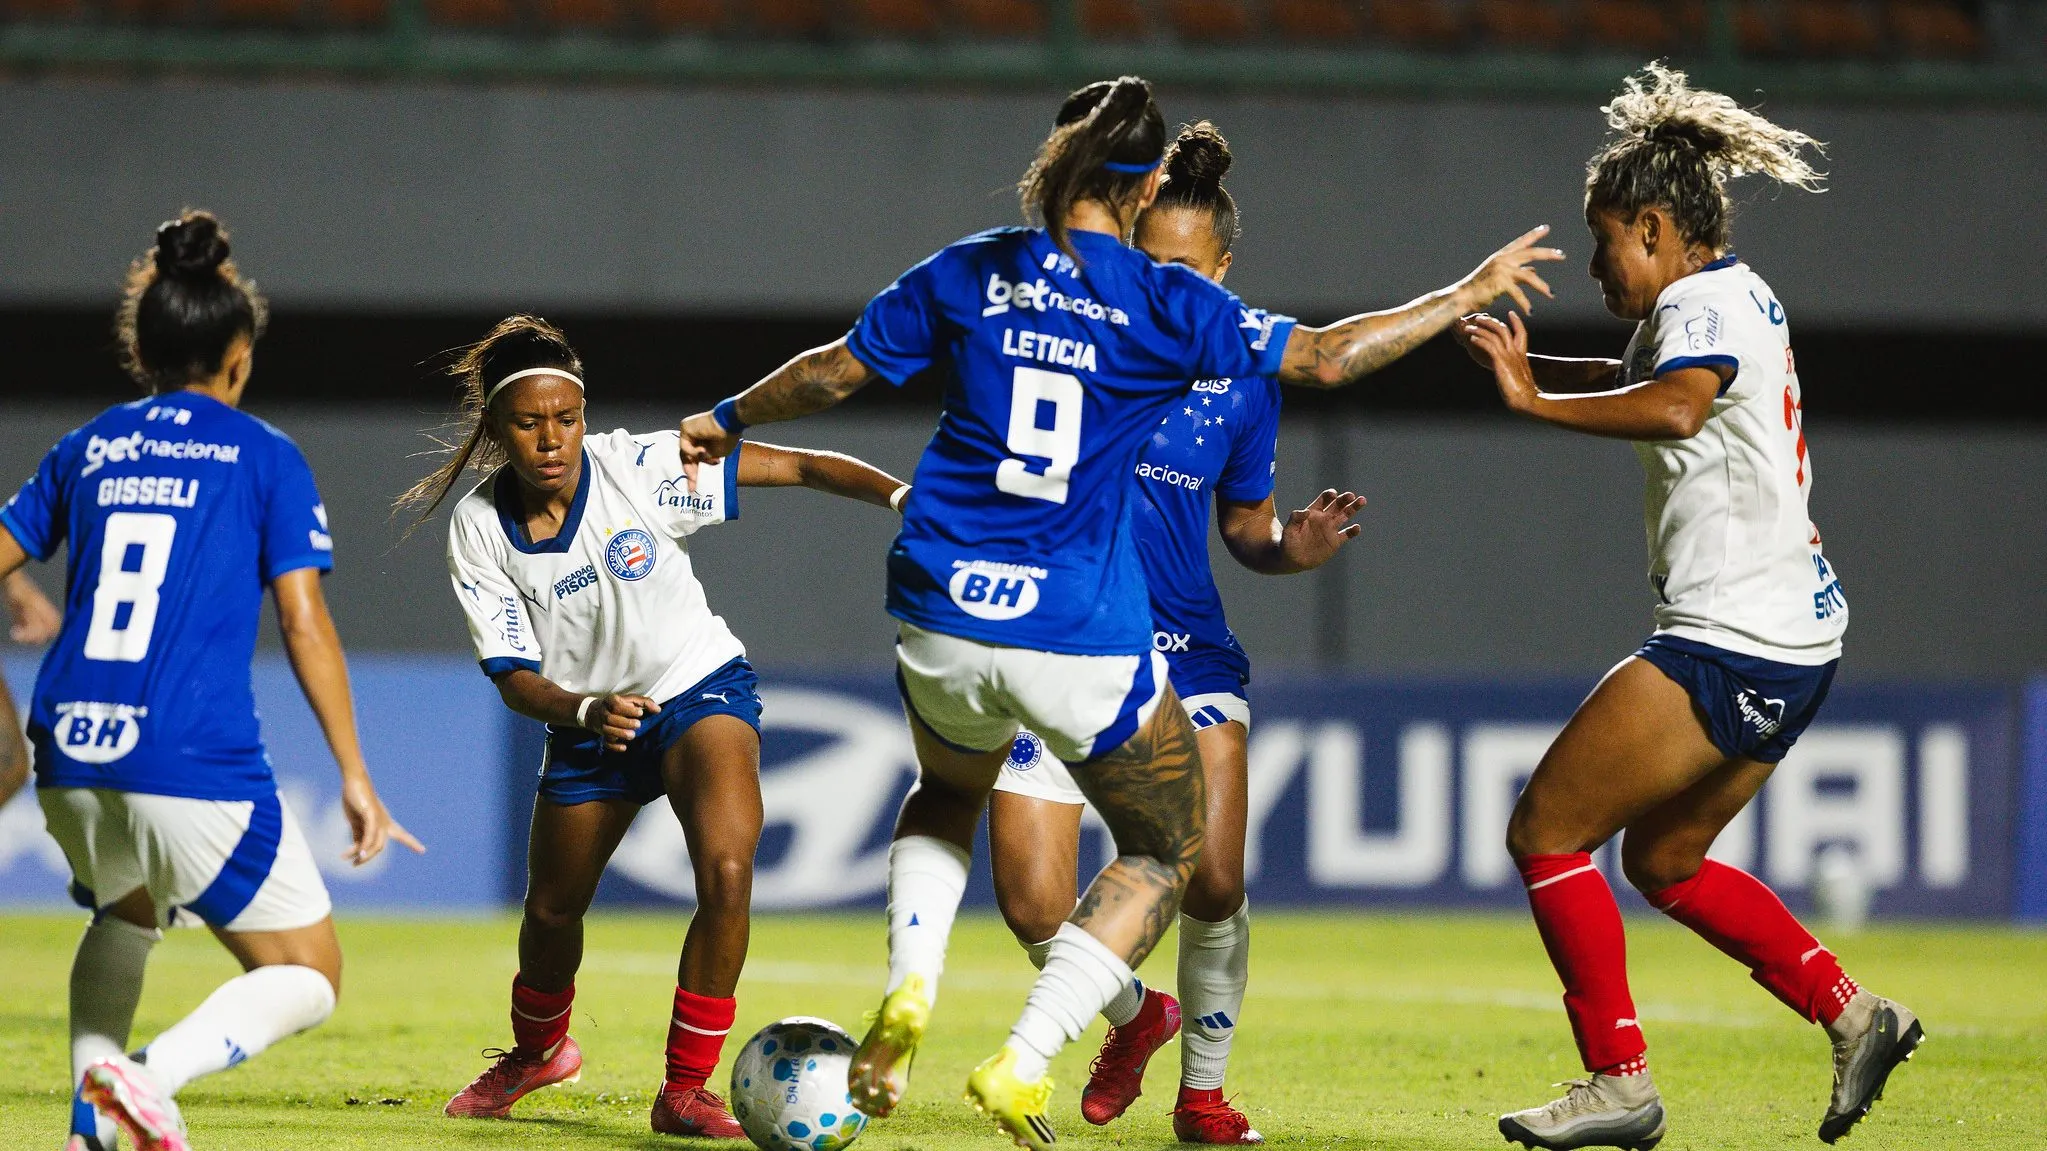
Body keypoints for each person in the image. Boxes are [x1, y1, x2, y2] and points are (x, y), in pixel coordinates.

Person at [675, 74, 1560, 1150]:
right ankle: (1026, 1053)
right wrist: (1468, 287)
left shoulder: (968, 267)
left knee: (942, 795)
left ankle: (916, 989)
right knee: (1165, 844)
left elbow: (831, 374)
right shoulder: (1162, 306)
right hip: (1075, 623)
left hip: (942, 600)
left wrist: (724, 414)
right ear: (1141, 192)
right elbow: (1330, 354)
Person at [1454, 64, 1920, 1151]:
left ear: (1657, 228)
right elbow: (1650, 373)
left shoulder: (1698, 306)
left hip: (1731, 634)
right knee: (1662, 861)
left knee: (1545, 830)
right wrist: (1534, 372)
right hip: (1801, 638)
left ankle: (1617, 1081)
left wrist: (1531, 402)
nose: (1598, 259)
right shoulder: (1732, 295)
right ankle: (1856, 1015)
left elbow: (1670, 404)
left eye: (1605, 235)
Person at [401, 315, 911, 1138]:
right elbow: (513, 678)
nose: (551, 438)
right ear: (497, 429)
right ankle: (538, 1054)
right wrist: (584, 710)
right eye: (529, 423)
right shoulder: (478, 527)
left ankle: (684, 1089)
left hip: (695, 687)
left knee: (728, 867)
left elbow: (808, 465)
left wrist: (901, 497)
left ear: (582, 414)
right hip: (587, 723)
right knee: (551, 913)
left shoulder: (635, 466)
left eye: (565, 418)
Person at [0, 211, 423, 1151]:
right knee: (311, 972)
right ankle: (146, 1077)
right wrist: (354, 771)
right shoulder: (263, 453)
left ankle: (92, 1126)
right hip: (188, 752)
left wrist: (21, 605)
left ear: (141, 351)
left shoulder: (91, 446)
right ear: (238, 355)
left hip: (68, 744)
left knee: (126, 910)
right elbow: (303, 620)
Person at [984, 120, 1361, 1147]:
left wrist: (1293, 545)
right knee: (1027, 895)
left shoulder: (1243, 375)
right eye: (1148, 263)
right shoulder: (1072, 339)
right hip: (1065, 639)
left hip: (1184, 649)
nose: (1165, 286)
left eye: (1187, 270)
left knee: (1216, 874)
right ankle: (1132, 1015)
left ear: (1225, 269)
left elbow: (1242, 526)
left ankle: (1202, 1092)